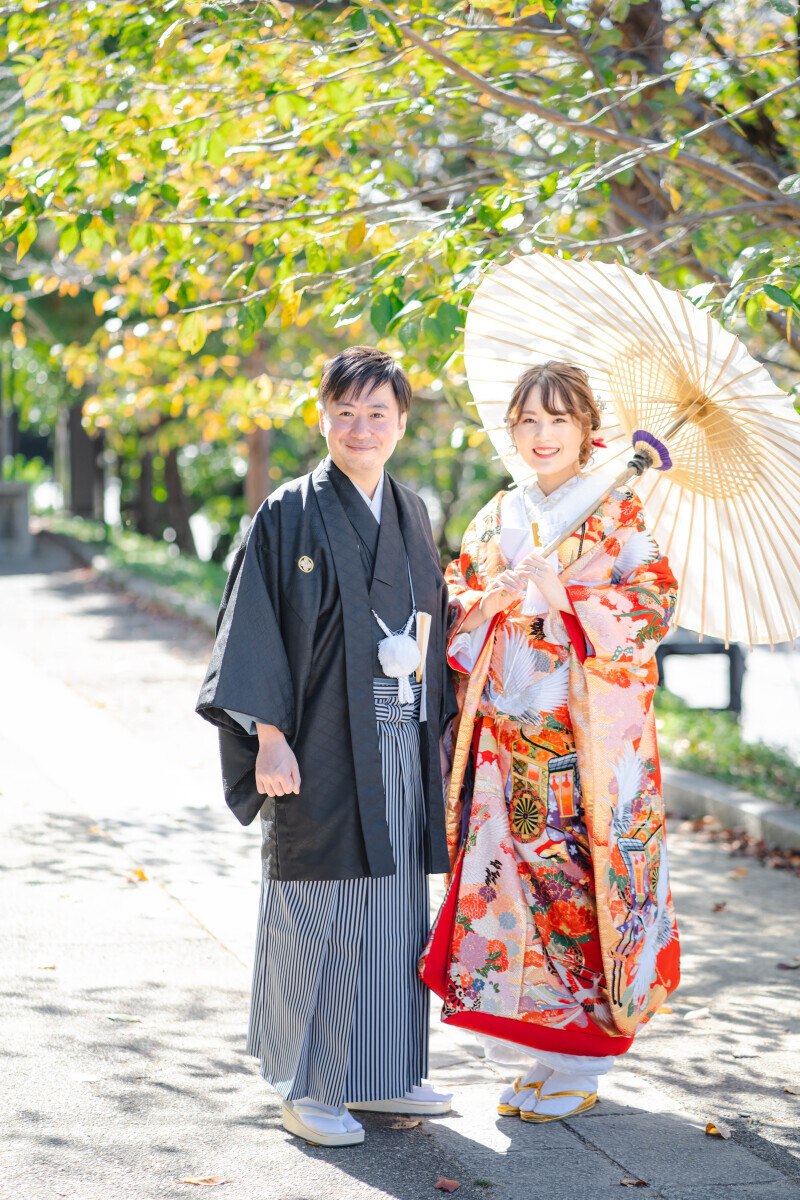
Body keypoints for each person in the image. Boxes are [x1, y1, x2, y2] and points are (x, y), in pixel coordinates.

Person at [197, 346, 455, 1147]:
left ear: (402, 423)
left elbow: (435, 623)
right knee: (319, 905)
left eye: (378, 412)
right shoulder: (287, 511)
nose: (360, 427)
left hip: (399, 736)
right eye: (345, 411)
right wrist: (268, 739)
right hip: (318, 741)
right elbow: (256, 630)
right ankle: (306, 1083)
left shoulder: (413, 511)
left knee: (392, 910)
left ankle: (382, 1074)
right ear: (322, 416)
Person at [419, 360, 680, 1122]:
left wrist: (569, 599)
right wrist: (485, 599)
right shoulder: (497, 514)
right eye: (528, 421)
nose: (542, 436)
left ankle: (582, 1055)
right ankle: (539, 1052)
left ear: (587, 431)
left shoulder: (618, 514)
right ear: (512, 430)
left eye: (558, 421)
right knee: (506, 886)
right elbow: (454, 597)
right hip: (502, 732)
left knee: (571, 887)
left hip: (576, 736)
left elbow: (653, 607)